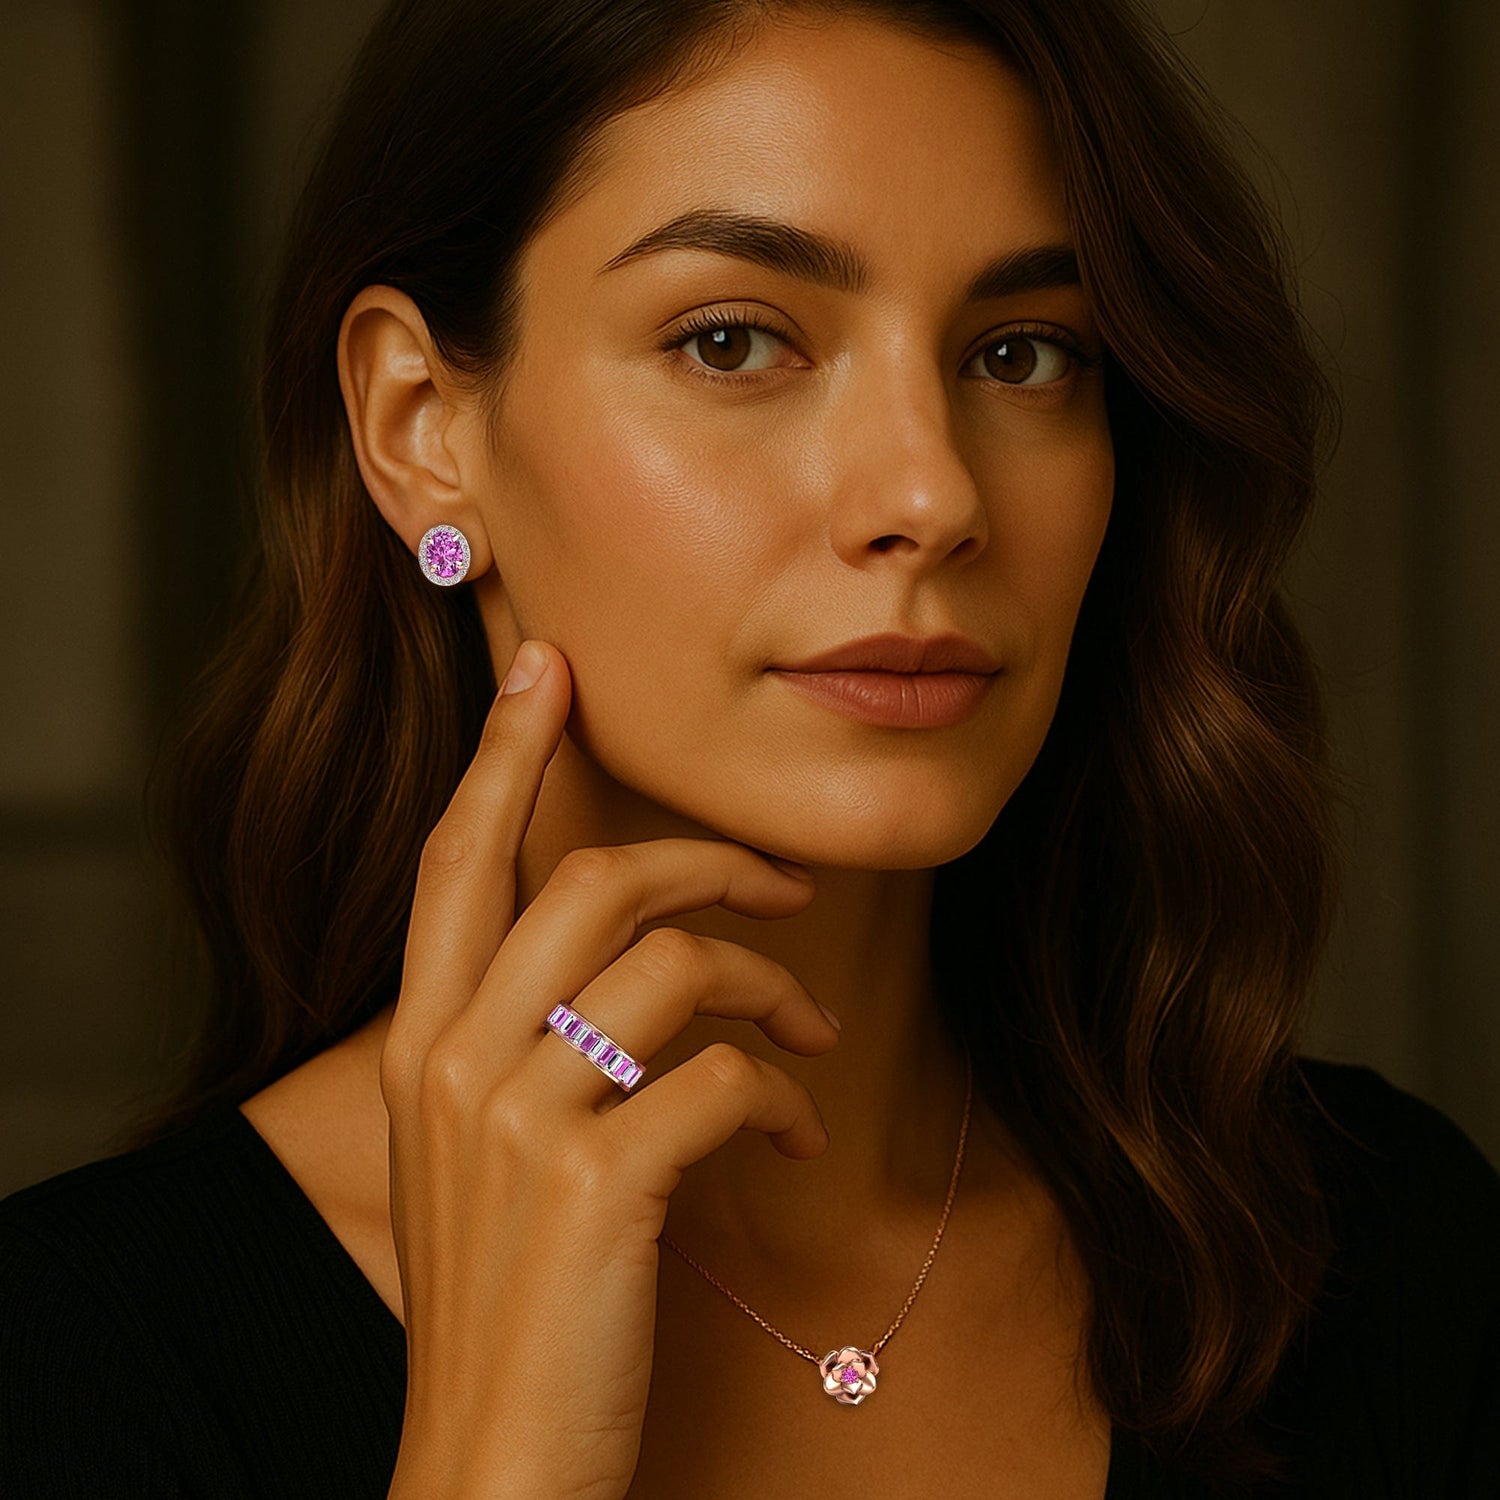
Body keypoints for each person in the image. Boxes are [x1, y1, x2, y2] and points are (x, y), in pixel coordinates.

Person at [3, 0, 1497, 1495]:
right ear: (419, 427)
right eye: (734, 341)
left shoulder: (1378, 1258)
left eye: (1027, 354)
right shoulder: (74, 1365)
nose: (931, 493)